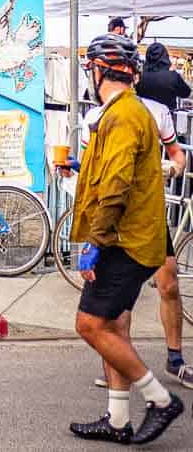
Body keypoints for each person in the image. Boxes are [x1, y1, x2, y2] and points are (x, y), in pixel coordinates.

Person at [68, 33, 183, 445]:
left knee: (89, 324)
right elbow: (116, 167)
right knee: (114, 323)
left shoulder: (122, 116)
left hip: (123, 239)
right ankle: (117, 420)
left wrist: (94, 243)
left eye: (91, 69)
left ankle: (159, 398)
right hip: (128, 236)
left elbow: (116, 186)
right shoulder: (122, 113)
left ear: (100, 71)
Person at [72, 84, 190, 391]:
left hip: (146, 215)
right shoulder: (96, 116)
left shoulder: (155, 112)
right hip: (115, 220)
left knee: (169, 283)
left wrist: (173, 170)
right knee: (115, 310)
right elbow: (91, 165)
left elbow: (177, 154)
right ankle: (119, 373)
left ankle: (174, 360)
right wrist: (74, 167)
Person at [136, 42, 191, 111]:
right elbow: (185, 93)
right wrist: (174, 73)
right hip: (167, 118)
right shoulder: (172, 76)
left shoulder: (139, 77)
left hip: (145, 117)